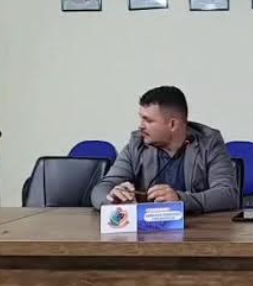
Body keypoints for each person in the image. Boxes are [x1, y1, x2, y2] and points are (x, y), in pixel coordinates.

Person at [91, 86, 238, 214]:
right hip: (147, 231)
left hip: (198, 230)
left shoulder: (208, 142)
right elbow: (100, 189)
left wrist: (180, 200)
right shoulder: (137, 143)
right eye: (141, 118)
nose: (141, 126)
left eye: (148, 120)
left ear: (172, 124)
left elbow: (228, 194)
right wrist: (112, 200)